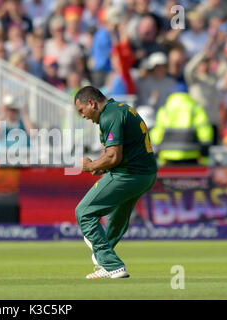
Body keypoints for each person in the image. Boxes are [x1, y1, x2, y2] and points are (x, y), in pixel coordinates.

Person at [74, 86, 157, 279]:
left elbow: (113, 157)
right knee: (119, 216)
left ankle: (111, 264)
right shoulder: (119, 109)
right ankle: (106, 262)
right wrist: (99, 167)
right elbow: (116, 155)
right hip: (146, 174)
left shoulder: (109, 116)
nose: (82, 115)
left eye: (82, 110)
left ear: (91, 103)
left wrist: (91, 165)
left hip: (129, 174)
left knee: (84, 212)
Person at [150, 91, 214, 165]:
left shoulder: (164, 110)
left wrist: (157, 155)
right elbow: (205, 134)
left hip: (168, 156)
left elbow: (156, 136)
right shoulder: (196, 108)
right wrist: (205, 156)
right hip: (191, 155)